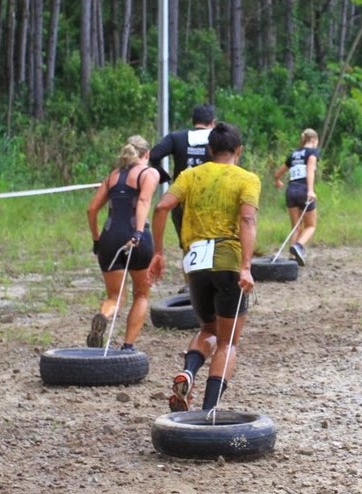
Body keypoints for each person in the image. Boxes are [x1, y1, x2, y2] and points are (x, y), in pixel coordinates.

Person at [149, 122, 260, 412]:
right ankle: (207, 411)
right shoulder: (247, 179)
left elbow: (161, 207)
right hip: (228, 260)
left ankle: (188, 372)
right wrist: (246, 267)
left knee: (207, 328)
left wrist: (158, 252)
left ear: (210, 150)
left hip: (194, 262)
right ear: (239, 151)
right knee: (227, 342)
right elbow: (247, 220)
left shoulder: (189, 175)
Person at [85, 135, 161, 350]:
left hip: (109, 239)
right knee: (141, 294)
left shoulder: (113, 176)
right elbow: (143, 201)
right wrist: (138, 233)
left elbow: (91, 210)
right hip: (137, 239)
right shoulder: (149, 173)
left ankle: (104, 315)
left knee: (114, 296)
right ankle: (128, 346)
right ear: (147, 154)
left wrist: (96, 239)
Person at [149, 104, 216, 242]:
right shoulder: (218, 139)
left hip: (181, 200)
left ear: (193, 120)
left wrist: (162, 175)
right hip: (212, 200)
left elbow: (154, 155)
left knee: (187, 244)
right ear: (212, 122)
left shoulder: (176, 137)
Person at [272, 128, 320, 266]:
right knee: (311, 226)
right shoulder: (312, 153)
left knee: (296, 227)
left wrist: (277, 181)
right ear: (314, 140)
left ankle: (292, 259)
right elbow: (310, 170)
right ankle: (298, 246)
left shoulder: (293, 154)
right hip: (304, 190)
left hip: (291, 191)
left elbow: (277, 173)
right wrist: (310, 190)